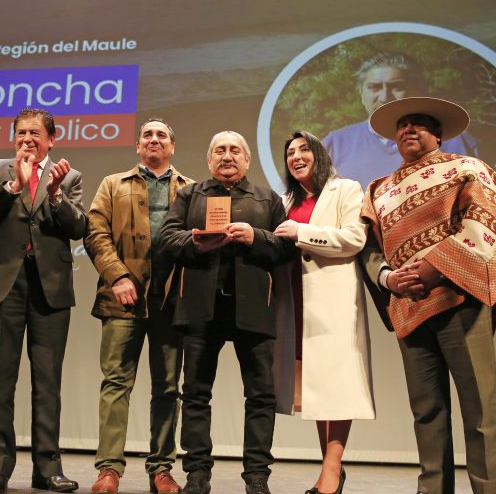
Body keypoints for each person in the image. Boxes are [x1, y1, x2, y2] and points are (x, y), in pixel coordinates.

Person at [360, 97, 496, 494]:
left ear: (438, 135)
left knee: (480, 408)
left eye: (419, 123)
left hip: (459, 298)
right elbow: (369, 248)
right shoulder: (378, 190)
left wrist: (434, 267)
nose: (408, 129)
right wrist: (389, 279)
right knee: (426, 411)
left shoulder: (467, 168)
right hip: (408, 307)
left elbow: (485, 221)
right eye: (402, 125)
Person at [159, 131, 296, 494]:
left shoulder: (267, 198)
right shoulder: (190, 195)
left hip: (254, 308)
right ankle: (197, 474)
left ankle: (257, 476)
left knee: (261, 396)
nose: (227, 155)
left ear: (247, 160)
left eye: (235, 150)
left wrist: (256, 237)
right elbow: (167, 238)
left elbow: (286, 249)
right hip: (200, 308)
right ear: (209, 160)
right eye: (219, 150)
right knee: (196, 394)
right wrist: (195, 241)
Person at [0, 108, 87, 493]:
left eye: (35, 133)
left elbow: (78, 226)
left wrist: (55, 195)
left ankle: (48, 468)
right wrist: (12, 187)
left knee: (47, 382)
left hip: (50, 287)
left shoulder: (69, 177)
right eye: (21, 133)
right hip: (2, 286)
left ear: (52, 139)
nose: (27, 140)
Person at [84, 118, 194, 494]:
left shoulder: (192, 189)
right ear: (137, 145)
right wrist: (118, 276)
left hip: (171, 302)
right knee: (116, 383)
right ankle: (109, 470)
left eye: (162, 134)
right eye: (147, 134)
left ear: (172, 146)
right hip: (122, 301)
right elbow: (95, 232)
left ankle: (162, 468)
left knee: (168, 388)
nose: (154, 139)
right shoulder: (113, 184)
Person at [272, 131, 374, 494]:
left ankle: (332, 468)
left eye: (304, 149)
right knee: (316, 386)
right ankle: (329, 468)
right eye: (290, 153)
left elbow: (355, 239)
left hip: (333, 299)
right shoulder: (285, 200)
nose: (296, 157)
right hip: (296, 299)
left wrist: (302, 231)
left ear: (319, 154)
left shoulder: (346, 189)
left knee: (338, 382)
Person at [323, 53, 478, 190]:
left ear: (416, 91)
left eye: (396, 86)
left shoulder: (455, 141)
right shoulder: (334, 145)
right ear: (361, 93)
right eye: (374, 87)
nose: (384, 97)